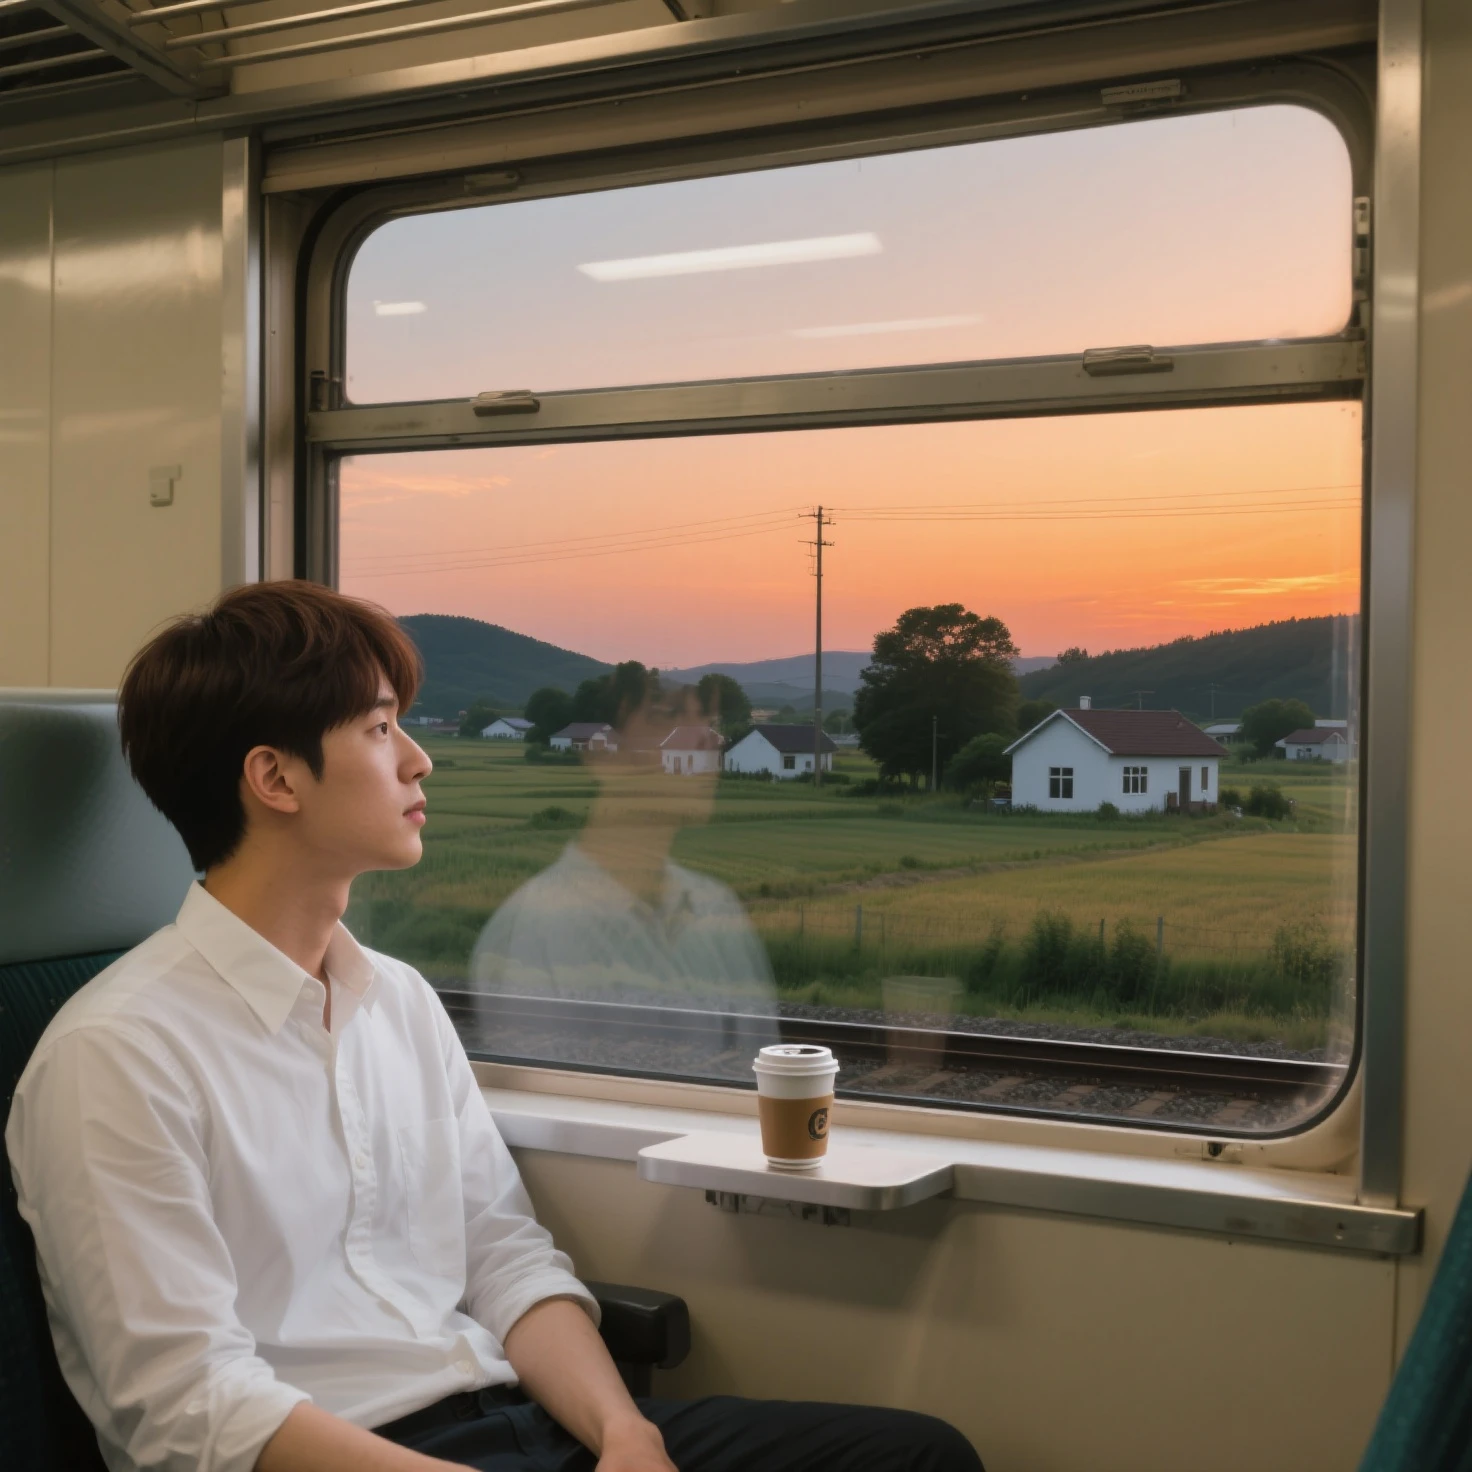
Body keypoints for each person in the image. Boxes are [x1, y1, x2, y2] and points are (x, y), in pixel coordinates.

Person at [5, 581, 983, 1472]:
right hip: (338, 1454)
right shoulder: (118, 1053)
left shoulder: (399, 997)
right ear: (276, 778)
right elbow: (186, 1407)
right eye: (383, 728)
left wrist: (625, 1433)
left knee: (915, 1455)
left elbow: (501, 1255)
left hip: (521, 1419)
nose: (421, 758)